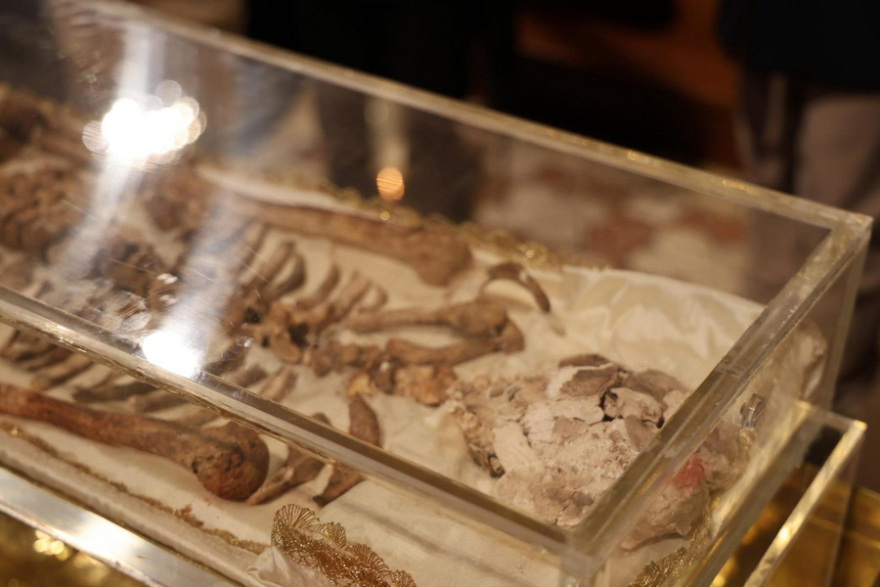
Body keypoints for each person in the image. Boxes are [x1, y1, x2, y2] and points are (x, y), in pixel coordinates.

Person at [719, 0, 880, 402]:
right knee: (768, 224)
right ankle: (752, 390)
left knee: (847, 246)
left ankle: (820, 401)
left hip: (863, 42)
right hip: (767, 27)